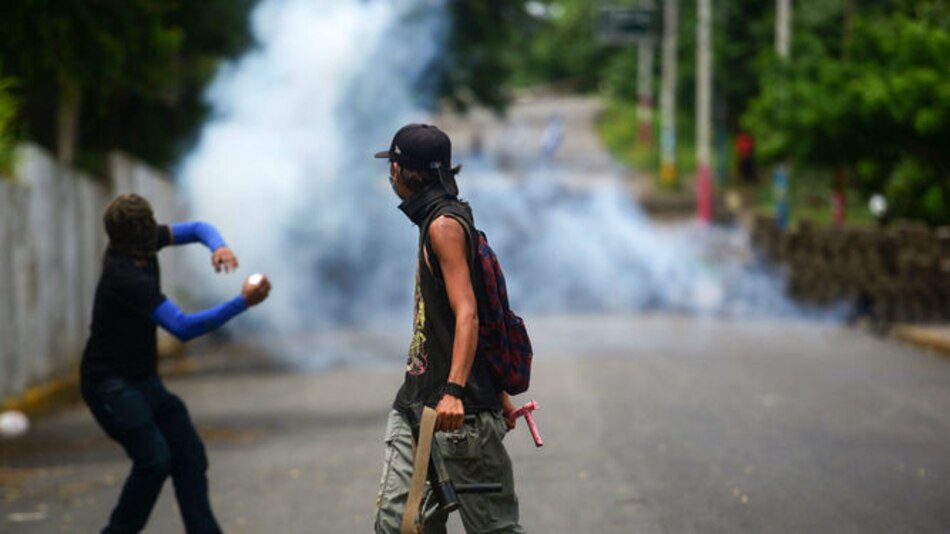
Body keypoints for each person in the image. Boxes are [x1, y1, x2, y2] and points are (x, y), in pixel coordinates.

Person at [80, 193, 271, 533]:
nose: (156, 235)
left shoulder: (143, 238)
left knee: (189, 455)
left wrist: (219, 247)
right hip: (108, 385)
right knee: (154, 460)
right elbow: (182, 327)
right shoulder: (124, 276)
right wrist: (242, 302)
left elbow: (198, 228)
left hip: (141, 379)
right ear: (132, 237)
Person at [372, 124, 525, 533]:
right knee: (398, 525)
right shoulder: (439, 221)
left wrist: (458, 391)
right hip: (417, 406)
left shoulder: (443, 226)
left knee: (495, 530)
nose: (391, 176)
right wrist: (498, 389)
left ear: (403, 173)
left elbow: (469, 313)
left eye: (394, 167)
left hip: (457, 416)